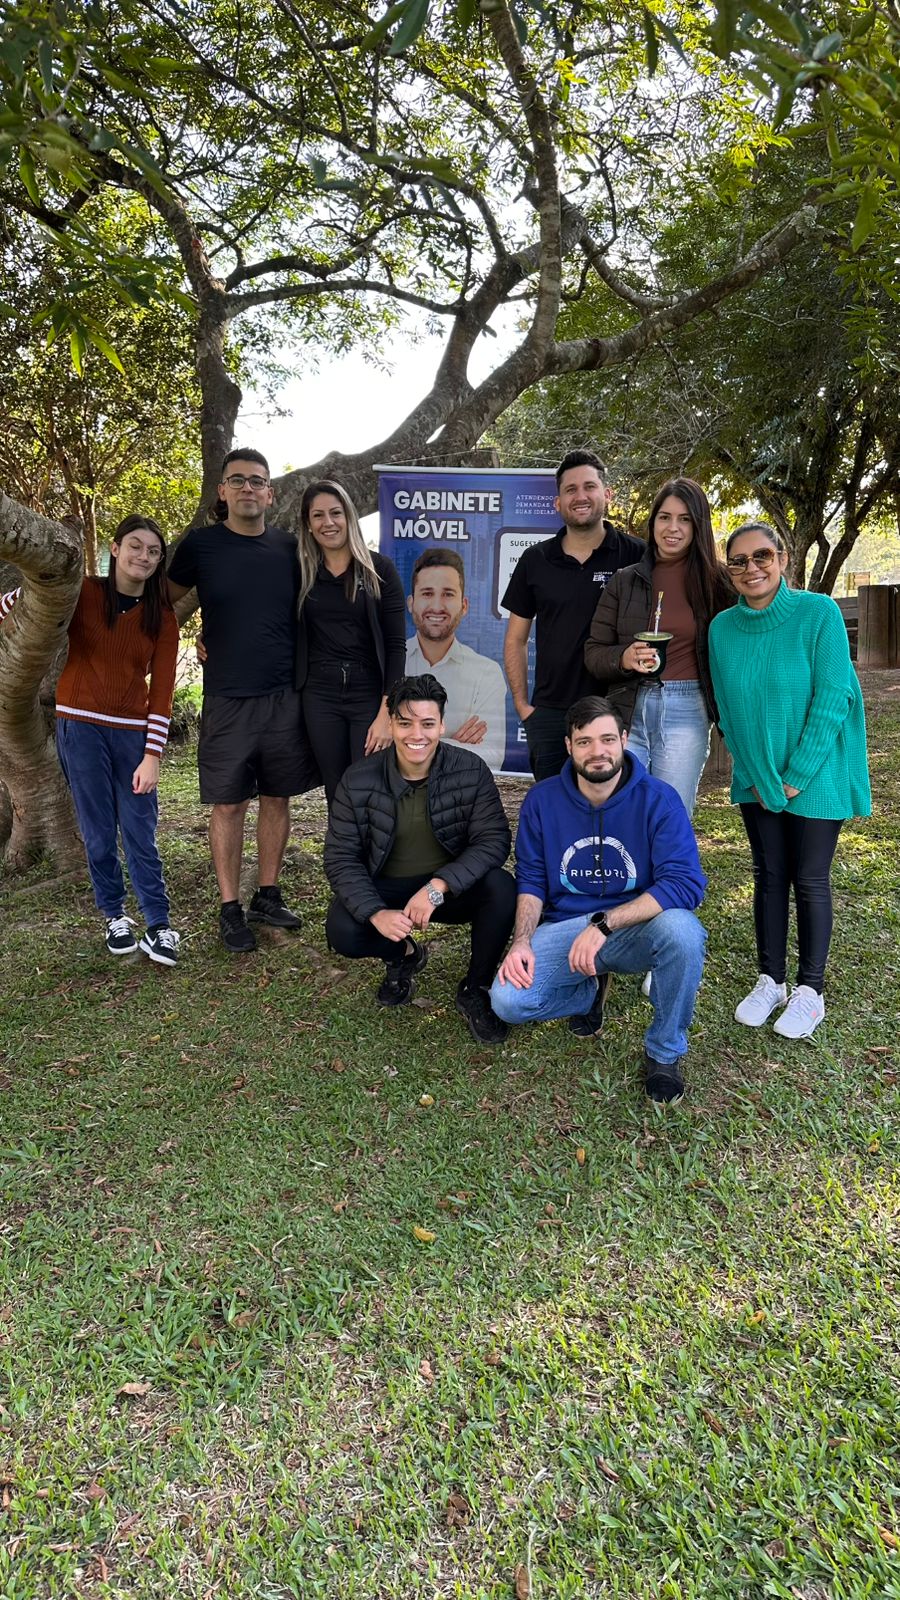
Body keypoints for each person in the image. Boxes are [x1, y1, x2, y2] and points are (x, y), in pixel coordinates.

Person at [490, 696, 707, 1103]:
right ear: (568, 746)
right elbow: (532, 880)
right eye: (584, 741)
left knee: (683, 931)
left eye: (607, 739)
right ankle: (588, 992)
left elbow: (685, 884)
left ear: (624, 739)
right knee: (508, 1002)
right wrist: (521, 942)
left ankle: (664, 1052)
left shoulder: (659, 799)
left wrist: (604, 924)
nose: (597, 751)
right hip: (566, 928)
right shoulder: (542, 801)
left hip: (633, 927)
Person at [708, 522, 871, 1039]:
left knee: (810, 878)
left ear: (781, 558)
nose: (751, 568)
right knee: (770, 874)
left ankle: (810, 991)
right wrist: (759, 775)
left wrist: (797, 775)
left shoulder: (818, 613)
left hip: (817, 774)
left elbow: (834, 696)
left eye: (762, 556)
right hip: (757, 777)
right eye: (738, 561)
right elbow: (727, 709)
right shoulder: (721, 629)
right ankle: (771, 981)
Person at [3, 516, 181, 963]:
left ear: (159, 561)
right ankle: (114, 916)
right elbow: (17, 601)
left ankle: (159, 924)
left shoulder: (162, 617)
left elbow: (162, 694)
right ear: (115, 549)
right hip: (80, 729)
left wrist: (153, 755)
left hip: (133, 736)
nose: (143, 556)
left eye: (153, 551)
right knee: (98, 832)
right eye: (135, 546)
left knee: (140, 832)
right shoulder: (81, 591)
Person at [167, 448, 314, 953]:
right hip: (227, 696)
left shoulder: (292, 548)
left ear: (270, 493)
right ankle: (230, 907)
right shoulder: (201, 545)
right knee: (229, 803)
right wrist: (194, 636)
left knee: (277, 795)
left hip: (284, 694)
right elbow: (164, 603)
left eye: (257, 481)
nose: (248, 488)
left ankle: (267, 895)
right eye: (238, 480)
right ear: (223, 492)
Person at [324, 673, 516, 1044]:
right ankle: (404, 954)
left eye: (428, 724)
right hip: (386, 887)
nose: (417, 735)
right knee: (343, 929)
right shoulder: (358, 778)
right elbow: (340, 857)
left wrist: (439, 885)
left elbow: (493, 840)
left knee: (502, 888)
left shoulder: (470, 770)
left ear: (442, 725)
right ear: (390, 724)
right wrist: (375, 913)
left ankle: (476, 988)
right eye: (405, 723)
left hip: (447, 887)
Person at [584, 477, 735, 815]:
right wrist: (624, 657)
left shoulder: (719, 583)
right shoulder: (625, 580)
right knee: (622, 813)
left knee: (670, 814)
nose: (673, 528)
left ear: (698, 526)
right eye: (665, 517)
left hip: (687, 708)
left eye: (685, 519)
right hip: (627, 710)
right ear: (653, 522)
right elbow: (593, 652)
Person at [501, 450, 644, 780]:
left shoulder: (637, 555)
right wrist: (524, 707)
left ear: (607, 494)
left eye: (589, 486)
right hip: (551, 714)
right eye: (570, 489)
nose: (580, 496)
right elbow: (516, 639)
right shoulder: (535, 560)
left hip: (617, 709)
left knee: (613, 806)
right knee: (555, 804)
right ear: (558, 502)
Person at [296, 479, 406, 806]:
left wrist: (386, 713)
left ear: (349, 517)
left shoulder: (379, 569)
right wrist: (209, 638)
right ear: (308, 524)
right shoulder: (302, 572)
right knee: (337, 790)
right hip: (319, 695)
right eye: (318, 515)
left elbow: (396, 645)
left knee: (370, 787)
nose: (328, 522)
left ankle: (373, 844)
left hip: (367, 694)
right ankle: (341, 843)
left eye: (336, 513)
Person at [405, 549, 508, 770]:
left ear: (464, 606)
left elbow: (492, 758)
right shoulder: (388, 665)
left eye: (448, 594)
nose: (437, 606)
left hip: (461, 791)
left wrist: (412, 742)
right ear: (411, 603)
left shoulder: (486, 673)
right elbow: (377, 746)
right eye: (427, 593)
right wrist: (455, 745)